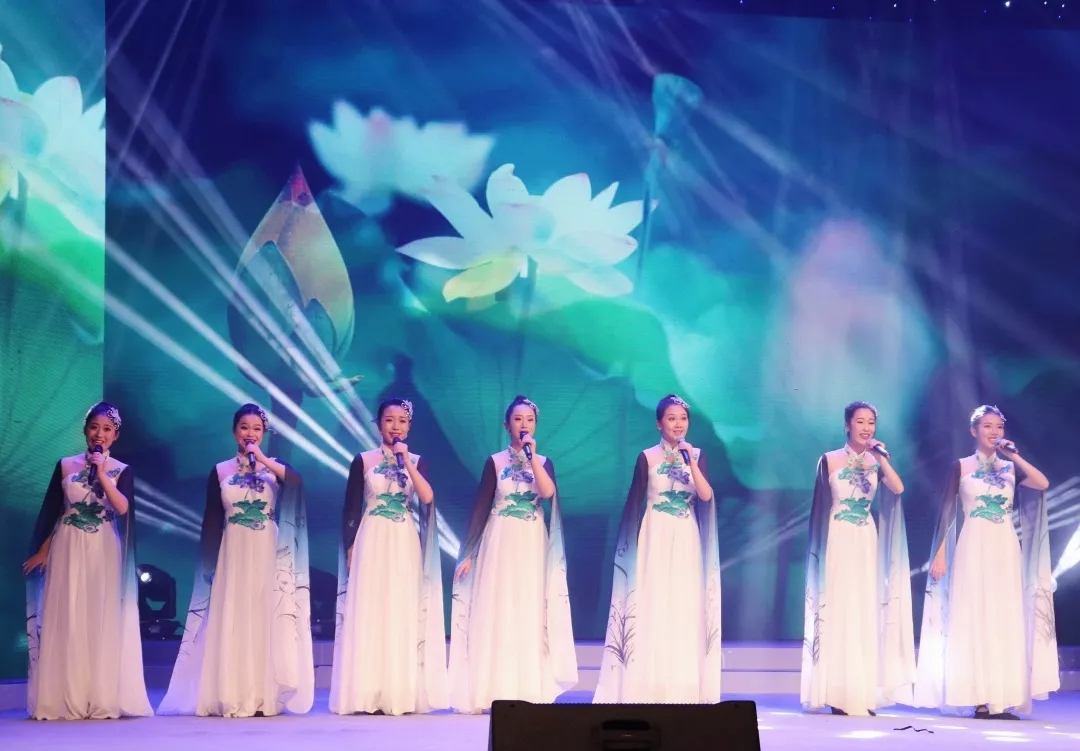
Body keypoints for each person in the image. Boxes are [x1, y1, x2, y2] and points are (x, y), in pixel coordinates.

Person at [158, 403, 313, 717]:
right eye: (244, 427)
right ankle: (232, 692)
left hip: (267, 551)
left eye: (257, 429)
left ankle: (264, 694)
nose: (250, 434)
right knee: (233, 616)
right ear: (234, 431)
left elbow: (297, 484)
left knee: (264, 616)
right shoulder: (221, 471)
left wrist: (263, 460)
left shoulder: (274, 468)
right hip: (233, 552)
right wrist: (209, 565)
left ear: (264, 434)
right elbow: (212, 521)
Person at [914, 405, 1058, 718]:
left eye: (999, 427)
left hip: (1004, 547)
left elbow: (1042, 482)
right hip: (972, 545)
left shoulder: (1010, 468)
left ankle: (1001, 696)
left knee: (1004, 617)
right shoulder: (961, 467)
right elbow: (947, 511)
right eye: (987, 426)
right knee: (974, 615)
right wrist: (941, 552)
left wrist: (1014, 457)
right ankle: (978, 697)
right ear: (974, 431)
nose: (994, 432)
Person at [23, 402, 153, 721]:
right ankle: (63, 696)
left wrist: (102, 474)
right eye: (95, 427)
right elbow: (56, 510)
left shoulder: (121, 470)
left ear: (115, 436)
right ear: (85, 430)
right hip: (67, 545)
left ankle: (98, 695)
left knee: (98, 616)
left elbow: (122, 508)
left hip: (103, 547)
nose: (100, 434)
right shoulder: (66, 465)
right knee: (67, 613)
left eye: (107, 429)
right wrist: (43, 549)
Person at [448, 395, 576, 713]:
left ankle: (527, 688)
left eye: (529, 420)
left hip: (532, 542)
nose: (524, 425)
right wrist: (468, 552)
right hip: (500, 540)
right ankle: (493, 688)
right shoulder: (495, 462)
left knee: (529, 609)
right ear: (507, 425)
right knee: (499, 607)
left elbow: (547, 493)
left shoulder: (543, 462)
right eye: (518, 419)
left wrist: (531, 459)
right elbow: (481, 507)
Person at [593, 394, 721, 703]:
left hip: (686, 536)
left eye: (683, 418)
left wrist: (691, 464)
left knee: (683, 605)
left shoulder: (697, 455)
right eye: (671, 418)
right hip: (654, 536)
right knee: (653, 603)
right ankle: (647, 684)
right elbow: (634, 505)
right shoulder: (647, 457)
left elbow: (706, 496)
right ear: (658, 424)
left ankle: (682, 686)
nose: (678, 424)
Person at [330, 397, 448, 715]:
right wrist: (350, 545)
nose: (395, 426)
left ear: (408, 427)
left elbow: (427, 498)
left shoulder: (417, 461)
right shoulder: (363, 460)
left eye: (401, 421)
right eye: (389, 420)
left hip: (403, 540)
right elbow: (351, 507)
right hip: (371, 537)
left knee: (400, 609)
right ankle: (366, 692)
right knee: (369, 609)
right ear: (379, 424)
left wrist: (406, 461)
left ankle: (398, 691)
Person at [800, 401, 914, 716]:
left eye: (871, 422)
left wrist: (880, 457)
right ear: (847, 425)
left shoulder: (876, 461)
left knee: (863, 610)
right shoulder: (829, 459)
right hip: (837, 536)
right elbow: (820, 508)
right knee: (839, 610)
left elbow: (898, 488)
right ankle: (836, 693)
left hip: (865, 538)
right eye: (860, 421)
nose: (866, 427)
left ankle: (860, 692)